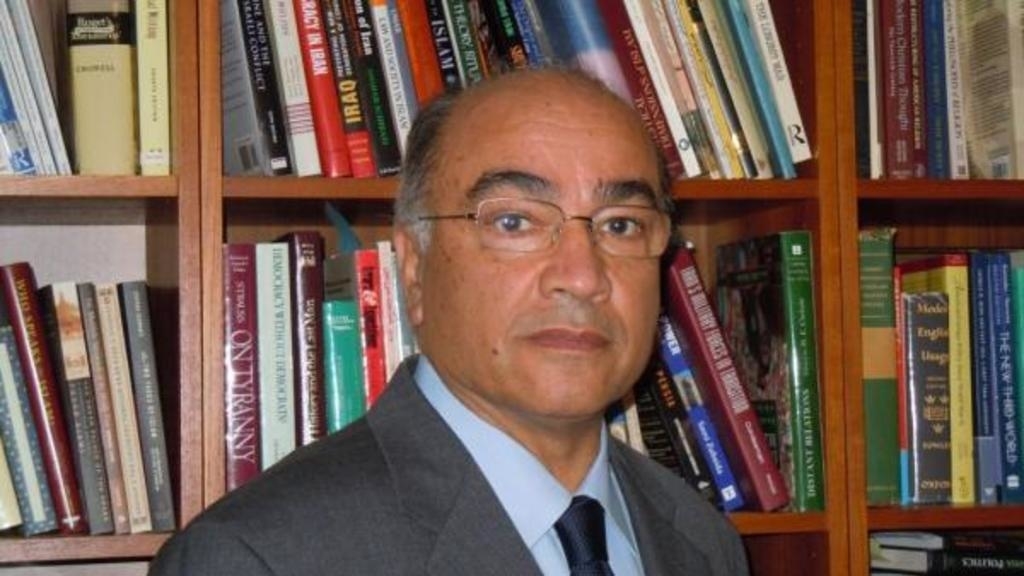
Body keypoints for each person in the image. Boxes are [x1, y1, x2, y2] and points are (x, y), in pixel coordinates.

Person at [149, 67, 748, 576]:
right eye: (514, 222)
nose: (582, 275)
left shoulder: (703, 542)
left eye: (621, 225)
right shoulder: (254, 558)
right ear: (414, 270)